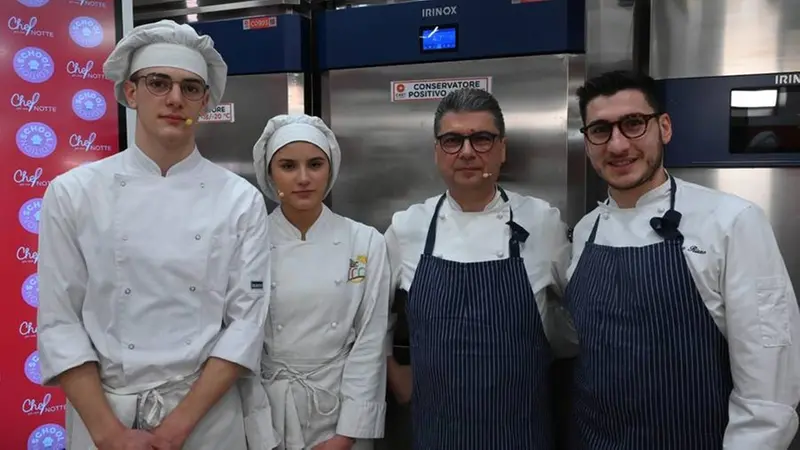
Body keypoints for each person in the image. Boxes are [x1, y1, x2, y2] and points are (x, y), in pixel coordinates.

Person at [36, 20, 275, 450]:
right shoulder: (74, 193)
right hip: (104, 419)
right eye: (158, 83)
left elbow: (245, 324)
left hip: (206, 420)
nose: (175, 99)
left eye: (191, 88)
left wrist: (174, 430)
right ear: (131, 92)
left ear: (205, 102)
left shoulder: (240, 200)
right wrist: (109, 435)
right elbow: (59, 321)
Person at [565, 69, 800, 449]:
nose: (618, 145)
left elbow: (768, 390)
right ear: (588, 142)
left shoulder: (732, 222)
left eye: (634, 124)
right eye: (600, 130)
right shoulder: (586, 230)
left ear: (665, 128)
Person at [384, 88, 576, 449]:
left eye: (482, 139)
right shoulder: (407, 228)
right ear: (437, 152)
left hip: (521, 431)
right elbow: (370, 317)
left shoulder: (542, 222)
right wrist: (395, 373)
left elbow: (583, 311)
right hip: (437, 432)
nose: (467, 152)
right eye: (453, 140)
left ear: (502, 149)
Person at [251, 114, 390, 450]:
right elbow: (239, 342)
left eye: (315, 164)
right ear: (270, 174)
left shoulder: (364, 242)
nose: (303, 178)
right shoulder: (248, 242)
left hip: (341, 409)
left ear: (330, 170)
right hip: (266, 410)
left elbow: (370, 341)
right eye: (287, 166)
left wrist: (347, 434)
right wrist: (256, 427)